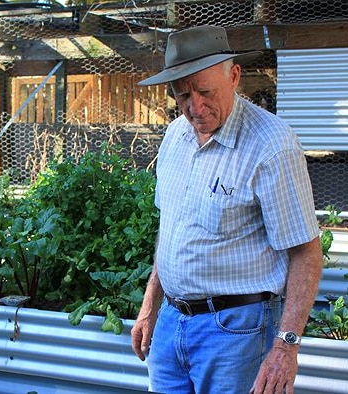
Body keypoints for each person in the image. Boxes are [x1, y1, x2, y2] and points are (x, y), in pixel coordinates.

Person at [130, 25, 323, 394]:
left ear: (234, 76)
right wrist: (150, 306)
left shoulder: (271, 146)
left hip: (237, 332)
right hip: (171, 323)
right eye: (182, 95)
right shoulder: (175, 137)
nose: (194, 107)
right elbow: (171, 230)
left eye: (205, 92)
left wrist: (286, 346)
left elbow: (306, 253)